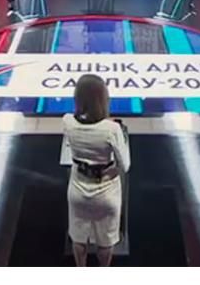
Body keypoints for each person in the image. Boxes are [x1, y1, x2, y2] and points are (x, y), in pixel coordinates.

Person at [62, 74, 130, 267]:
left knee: (78, 237)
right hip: (106, 194)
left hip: (78, 191)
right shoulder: (112, 129)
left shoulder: (67, 121)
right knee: (105, 241)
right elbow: (125, 165)